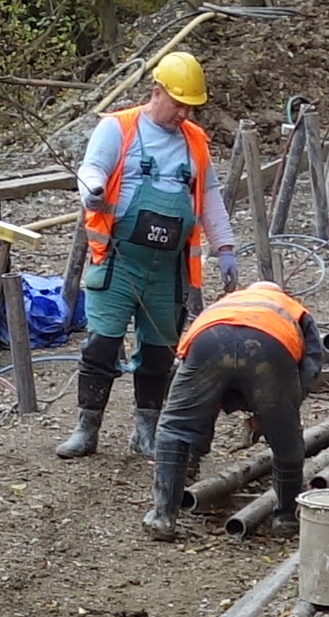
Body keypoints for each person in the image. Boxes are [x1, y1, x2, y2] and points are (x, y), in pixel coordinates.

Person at [62, 47, 234, 466]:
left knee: (158, 352)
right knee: (101, 346)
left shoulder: (195, 143)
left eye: (190, 108)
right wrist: (93, 190)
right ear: (157, 92)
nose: (183, 115)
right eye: (179, 104)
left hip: (167, 269)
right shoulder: (117, 128)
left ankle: (146, 431)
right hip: (119, 261)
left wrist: (225, 247)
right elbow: (92, 170)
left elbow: (209, 197)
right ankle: (87, 428)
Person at [149, 280, 315, 539]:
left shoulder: (225, 303)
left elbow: (190, 377)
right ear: (280, 293)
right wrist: (278, 414)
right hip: (269, 347)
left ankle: (163, 517)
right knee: (286, 440)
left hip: (210, 340)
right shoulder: (293, 309)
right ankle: (286, 519)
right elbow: (310, 369)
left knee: (176, 427)